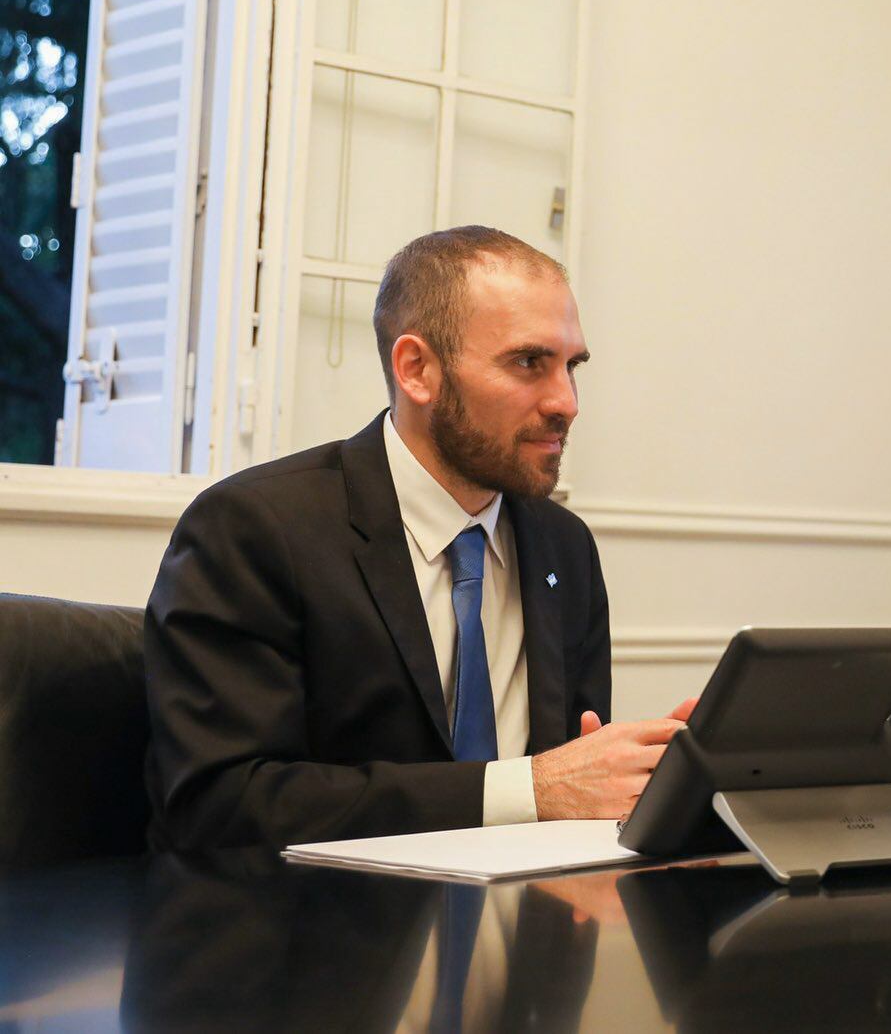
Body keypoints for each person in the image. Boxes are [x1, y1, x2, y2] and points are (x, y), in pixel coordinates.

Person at [146, 227, 683, 849]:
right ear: (417, 369)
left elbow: (572, 781)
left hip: (526, 926)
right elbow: (219, 802)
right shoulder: (255, 529)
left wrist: (662, 776)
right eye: (529, 363)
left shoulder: (564, 546)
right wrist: (530, 788)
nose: (566, 402)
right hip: (320, 930)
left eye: (572, 367)